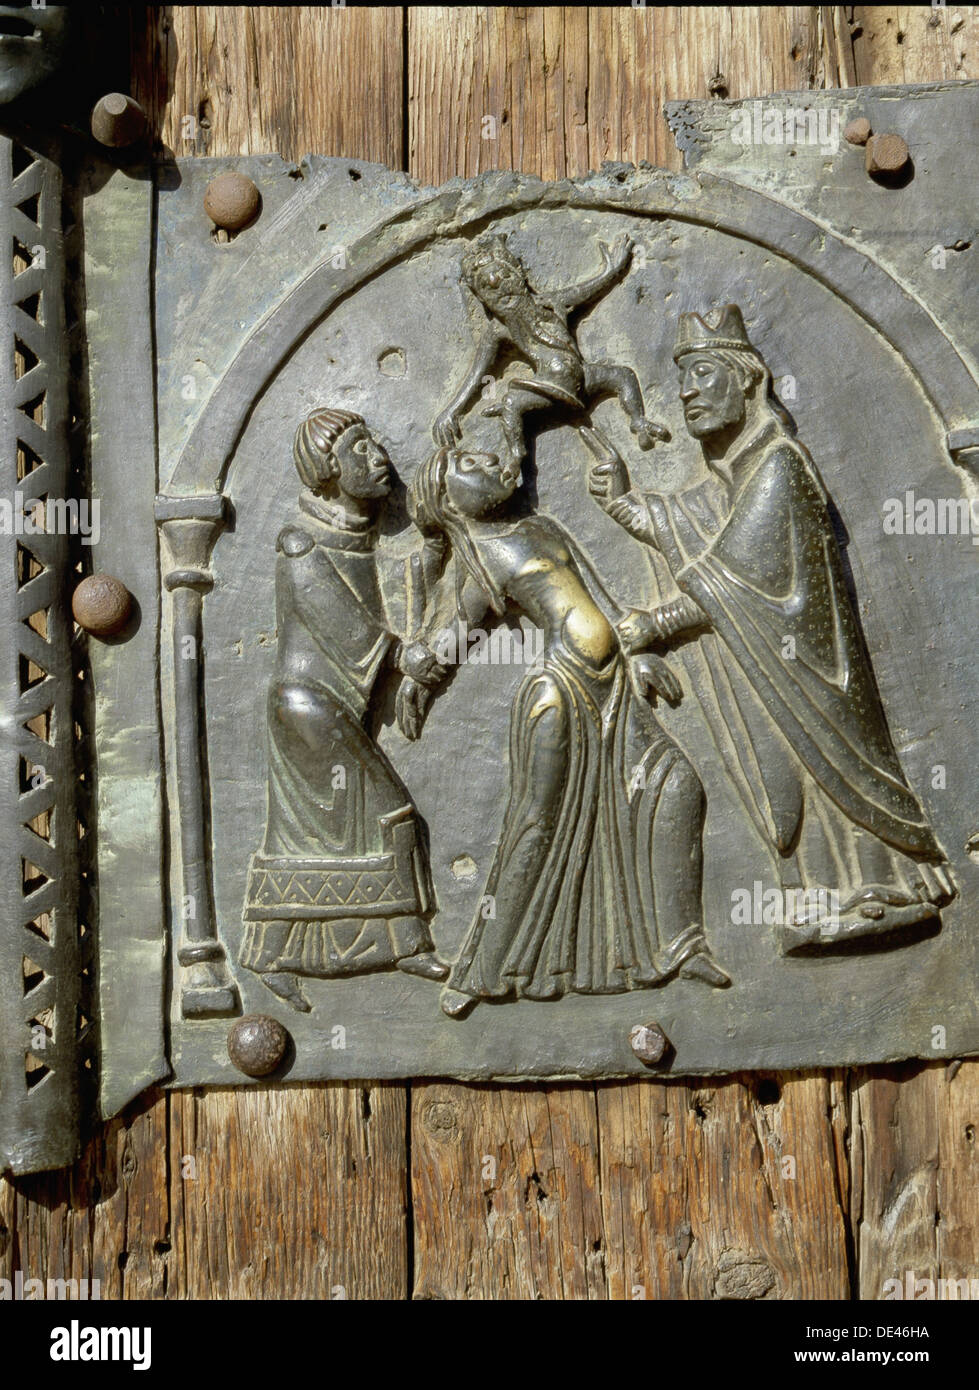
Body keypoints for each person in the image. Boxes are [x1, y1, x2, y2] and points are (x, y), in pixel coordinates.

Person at [584, 305, 956, 950]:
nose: (687, 392)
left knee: (829, 773)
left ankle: (885, 889)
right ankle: (824, 899)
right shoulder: (738, 473)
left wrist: (653, 623)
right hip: (776, 670)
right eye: (681, 379)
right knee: (796, 783)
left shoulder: (779, 464)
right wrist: (623, 503)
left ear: (748, 379)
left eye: (703, 372)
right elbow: (697, 525)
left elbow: (734, 577)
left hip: (810, 673)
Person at [403, 444, 730, 1018]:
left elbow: (601, 601)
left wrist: (636, 655)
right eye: (468, 466)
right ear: (449, 502)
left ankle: (681, 947)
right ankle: (481, 970)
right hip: (559, 692)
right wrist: (419, 678)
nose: (491, 463)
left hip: (613, 685)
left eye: (483, 457)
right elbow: (456, 632)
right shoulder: (483, 561)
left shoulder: (542, 527)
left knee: (677, 787)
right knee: (536, 824)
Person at [240, 408, 448, 1011]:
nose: (379, 455)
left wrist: (437, 545)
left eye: (376, 442)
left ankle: (293, 953)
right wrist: (402, 656)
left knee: (314, 839)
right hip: (307, 708)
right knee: (388, 812)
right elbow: (342, 620)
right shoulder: (300, 543)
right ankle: (400, 944)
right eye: (360, 448)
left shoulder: (354, 535)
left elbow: (394, 585)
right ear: (326, 468)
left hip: (331, 706)